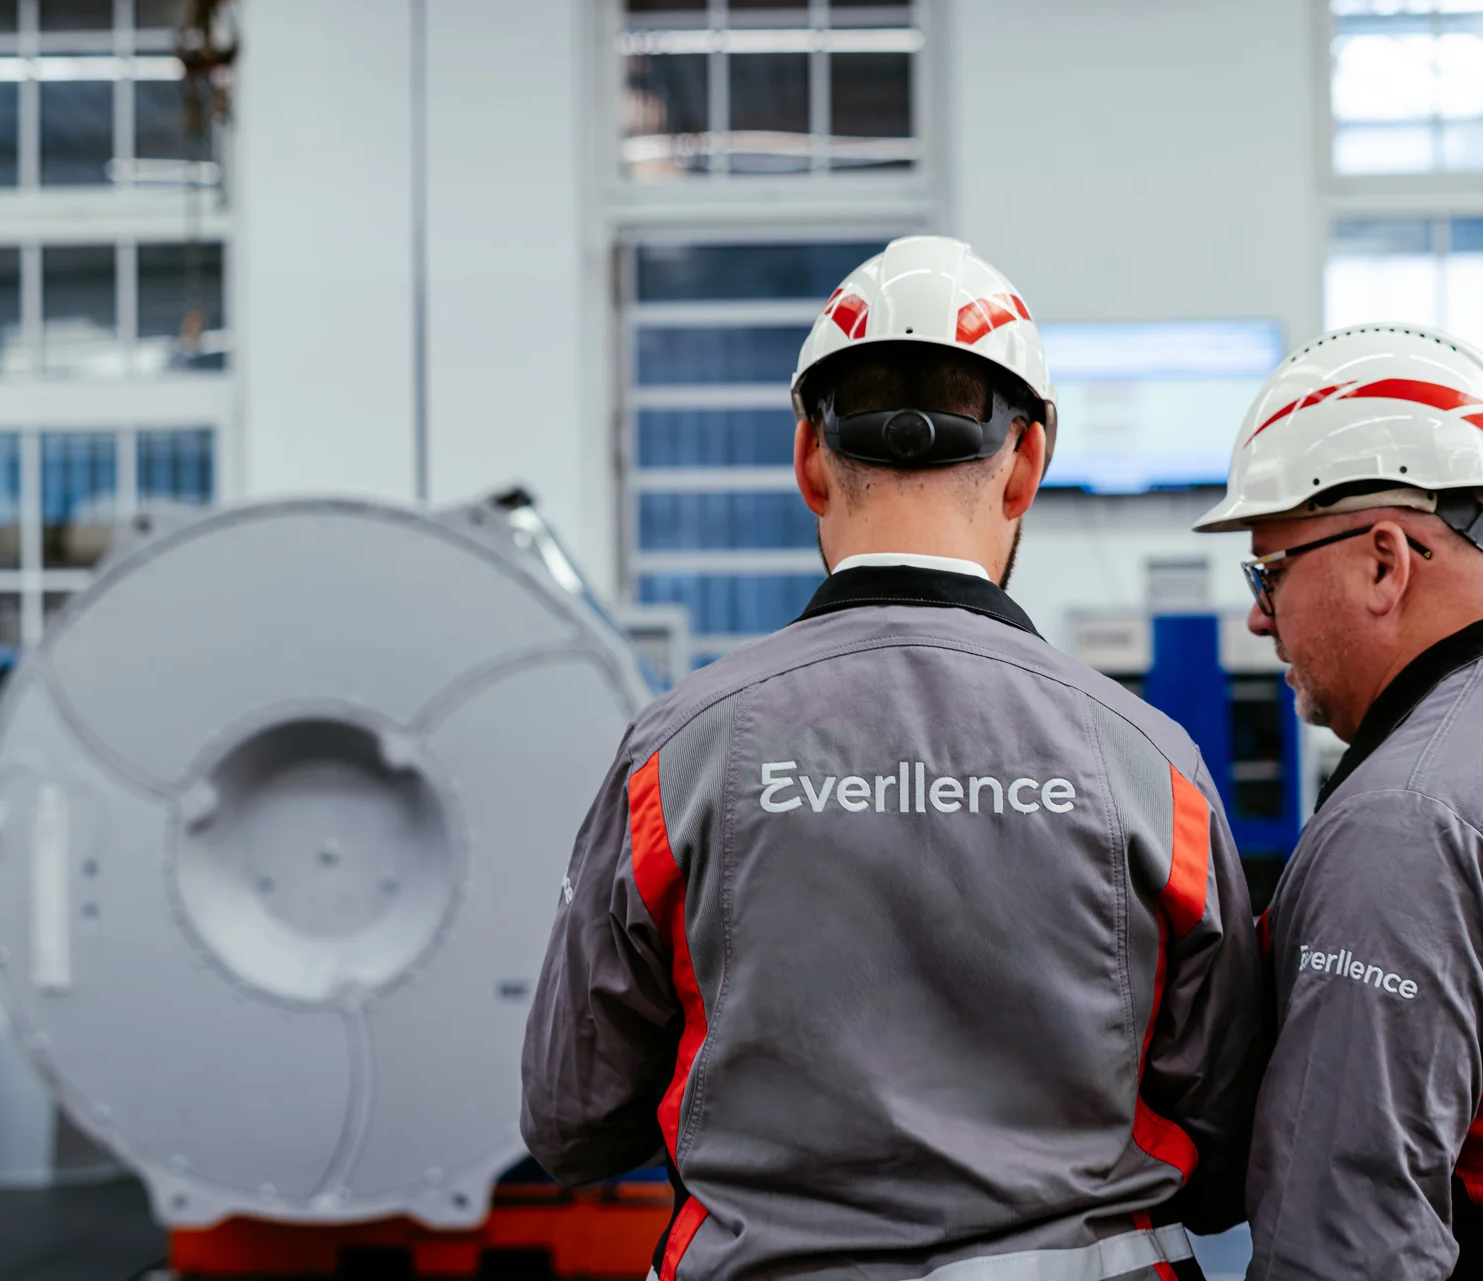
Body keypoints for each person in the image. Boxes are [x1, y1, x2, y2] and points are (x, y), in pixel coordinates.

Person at [521, 235, 1265, 1281]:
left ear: (808, 461)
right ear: (1028, 466)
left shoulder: (677, 753)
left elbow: (572, 1121)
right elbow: (1229, 1134)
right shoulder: (1151, 765)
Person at [1192, 323, 1483, 1278]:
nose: (1258, 614)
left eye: (1269, 569)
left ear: (1385, 560)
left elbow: (1344, 1243)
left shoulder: (1417, 817)